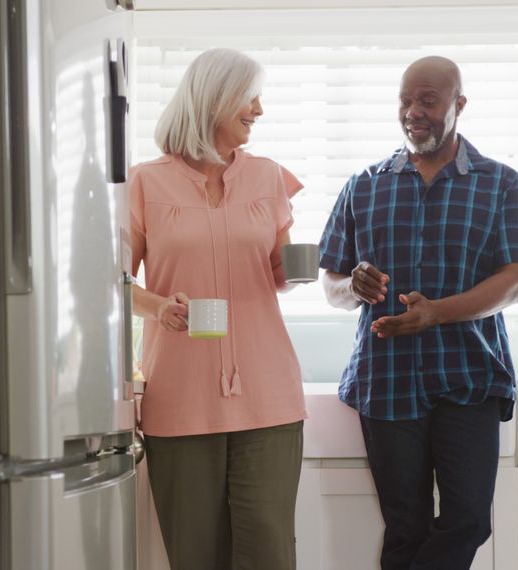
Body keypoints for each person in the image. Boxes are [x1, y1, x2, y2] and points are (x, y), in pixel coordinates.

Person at [318, 56, 518, 569]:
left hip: (469, 375)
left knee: (469, 518)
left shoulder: (500, 183)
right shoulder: (364, 184)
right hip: (387, 378)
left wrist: (438, 313)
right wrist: (352, 286)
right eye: (405, 100)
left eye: (428, 100)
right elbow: (330, 284)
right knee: (405, 528)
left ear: (458, 105)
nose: (413, 112)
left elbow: (514, 283)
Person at [128, 47, 306, 570]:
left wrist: (295, 269)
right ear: (215, 99)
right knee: (196, 556)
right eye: (248, 98)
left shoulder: (270, 177)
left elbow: (277, 273)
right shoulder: (143, 182)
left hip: (268, 394)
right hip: (180, 397)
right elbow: (107, 284)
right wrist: (160, 306)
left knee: (270, 554)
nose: (258, 109)